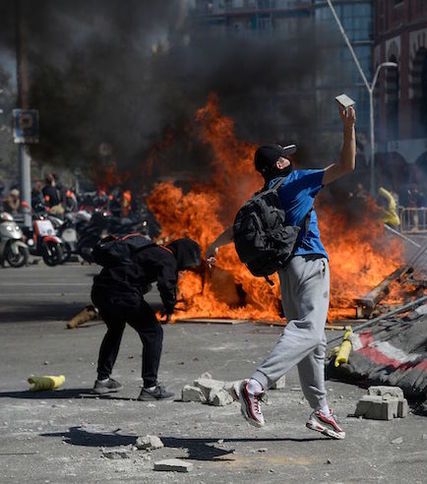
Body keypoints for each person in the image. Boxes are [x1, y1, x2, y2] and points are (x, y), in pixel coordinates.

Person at [205, 105, 356, 440]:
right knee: (308, 330)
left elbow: (236, 230)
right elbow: (346, 166)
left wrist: (213, 245)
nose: (292, 158)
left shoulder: (263, 196)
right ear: (280, 163)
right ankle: (256, 385)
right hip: (311, 263)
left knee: (312, 342)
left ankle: (321, 411)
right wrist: (349, 129)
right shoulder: (298, 181)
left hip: (287, 270)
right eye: (286, 156)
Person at [90, 236, 202, 400]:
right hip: (123, 295)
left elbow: (132, 272)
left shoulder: (150, 250)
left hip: (100, 291)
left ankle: (102, 380)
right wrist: (170, 306)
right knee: (153, 333)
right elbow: (166, 285)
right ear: (183, 255)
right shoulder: (168, 258)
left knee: (114, 329)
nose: (186, 268)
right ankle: (150, 387)